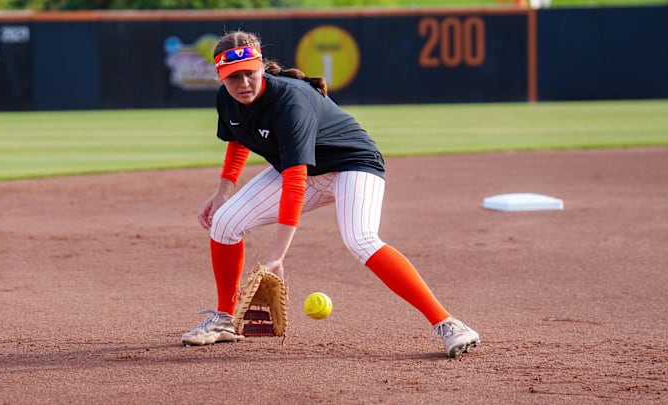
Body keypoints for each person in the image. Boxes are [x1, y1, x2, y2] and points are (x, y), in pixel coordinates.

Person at [181, 30, 480, 358]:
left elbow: (295, 182)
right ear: (220, 77)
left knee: (361, 240)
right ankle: (224, 319)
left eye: (249, 74)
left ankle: (449, 324)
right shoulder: (228, 98)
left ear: (261, 68)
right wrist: (223, 191)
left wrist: (277, 257)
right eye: (232, 77)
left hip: (352, 165)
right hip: (303, 170)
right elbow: (238, 137)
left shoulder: (289, 101)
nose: (243, 84)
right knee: (224, 222)